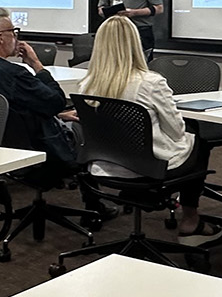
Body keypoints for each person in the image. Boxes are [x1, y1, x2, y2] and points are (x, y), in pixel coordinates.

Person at [80, 15, 209, 236]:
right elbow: (176, 131)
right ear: (135, 43)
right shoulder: (151, 83)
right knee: (198, 139)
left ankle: (146, 198)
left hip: (105, 167)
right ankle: (190, 218)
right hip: (147, 167)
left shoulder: (87, 84)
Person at [0, 5, 77, 164]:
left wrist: (58, 115)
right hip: (33, 152)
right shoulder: (14, 75)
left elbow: (12, 112)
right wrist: (37, 64)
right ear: (1, 37)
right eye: (13, 32)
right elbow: (56, 102)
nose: (16, 38)